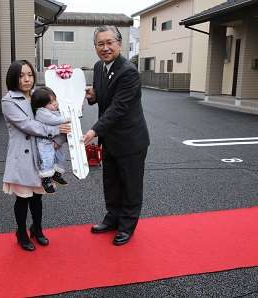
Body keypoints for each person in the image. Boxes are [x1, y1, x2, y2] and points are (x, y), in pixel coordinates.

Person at [83, 25, 150, 246]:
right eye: (100, 44)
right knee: (111, 183)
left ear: (119, 44)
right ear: (95, 48)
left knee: (130, 186)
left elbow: (118, 108)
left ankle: (126, 226)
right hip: (110, 139)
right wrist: (93, 96)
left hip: (130, 140)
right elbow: (104, 99)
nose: (105, 47)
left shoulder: (128, 71)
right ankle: (112, 219)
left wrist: (93, 131)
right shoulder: (99, 67)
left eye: (109, 42)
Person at [1, 60, 71, 251]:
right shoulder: (9, 101)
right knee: (23, 197)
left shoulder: (38, 96)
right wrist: (56, 128)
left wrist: (61, 135)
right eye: (22, 75)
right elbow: (28, 125)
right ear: (14, 78)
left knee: (37, 197)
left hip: (41, 153)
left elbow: (56, 111)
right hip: (23, 155)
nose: (26, 79)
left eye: (30, 75)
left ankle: (37, 229)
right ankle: (21, 232)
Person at [31, 86, 71, 194]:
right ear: (42, 104)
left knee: (61, 158)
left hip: (52, 139)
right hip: (44, 141)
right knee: (47, 159)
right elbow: (53, 120)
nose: (54, 103)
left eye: (54, 99)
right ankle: (46, 180)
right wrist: (65, 119)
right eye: (50, 103)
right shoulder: (41, 111)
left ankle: (57, 175)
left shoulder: (52, 110)